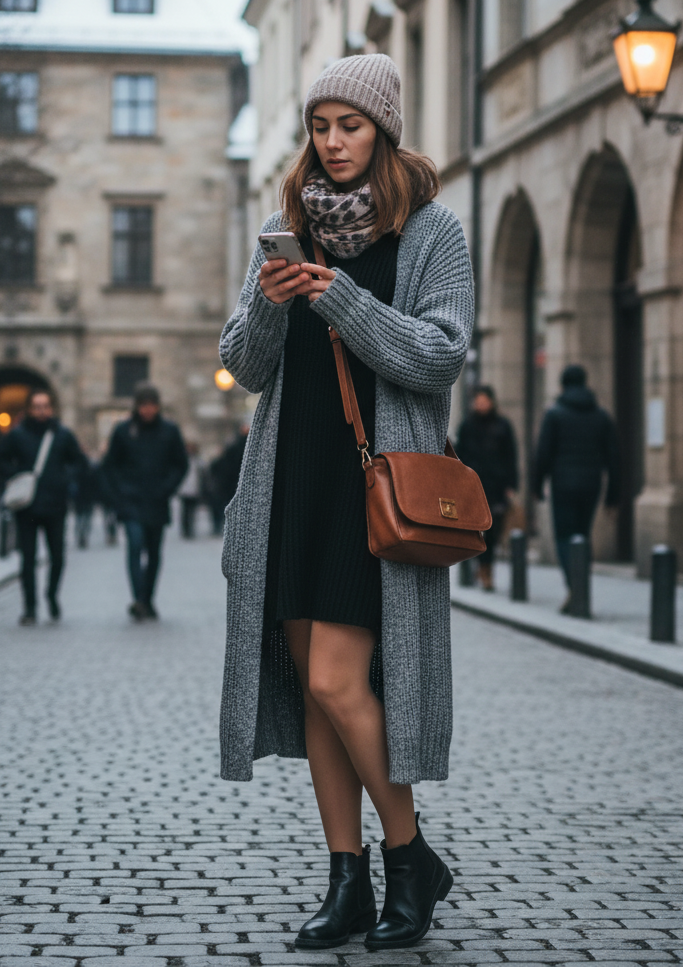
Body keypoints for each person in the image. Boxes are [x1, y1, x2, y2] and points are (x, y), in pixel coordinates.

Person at [218, 54, 474, 951]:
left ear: (383, 130)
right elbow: (246, 368)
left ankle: (409, 859)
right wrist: (275, 305)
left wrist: (341, 302)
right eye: (320, 126)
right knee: (321, 693)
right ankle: (347, 880)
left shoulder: (435, 231)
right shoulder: (282, 228)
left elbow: (438, 357)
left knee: (337, 679)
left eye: (349, 125)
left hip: (381, 487)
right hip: (294, 479)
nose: (331, 143)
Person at [534, 365, 619, 610]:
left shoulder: (555, 414)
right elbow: (614, 458)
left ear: (562, 385)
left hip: (562, 485)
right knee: (583, 536)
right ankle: (581, 590)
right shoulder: (601, 416)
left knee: (564, 537)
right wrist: (613, 497)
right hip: (592, 485)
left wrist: (537, 487)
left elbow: (543, 454)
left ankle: (575, 589)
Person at [101, 383, 188, 621]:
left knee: (154, 552)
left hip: (157, 500)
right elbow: (110, 466)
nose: (148, 410)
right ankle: (139, 599)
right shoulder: (123, 431)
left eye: (152, 405)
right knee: (135, 545)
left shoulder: (169, 431)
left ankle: (148, 599)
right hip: (131, 501)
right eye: (144, 406)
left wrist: (167, 488)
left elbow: (180, 465)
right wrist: (118, 493)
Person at [0, 389, 85, 625]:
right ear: (29, 409)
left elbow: (79, 461)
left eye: (45, 406)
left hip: (55, 505)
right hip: (27, 506)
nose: (41, 410)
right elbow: (2, 459)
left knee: (57, 556)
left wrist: (65, 478)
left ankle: (51, 595)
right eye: (37, 406)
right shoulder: (17, 435)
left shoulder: (62, 435)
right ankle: (30, 606)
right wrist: (16, 476)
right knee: (27, 558)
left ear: (52, 408)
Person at [456, 385, 518, 591]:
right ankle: (482, 568)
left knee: (494, 530)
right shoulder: (467, 426)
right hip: (473, 486)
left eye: (484, 400)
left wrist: (511, 484)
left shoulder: (502, 425)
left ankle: (486, 569)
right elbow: (459, 456)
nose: (481, 404)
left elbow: (511, 456)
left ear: (491, 402)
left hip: (496, 486)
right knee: (475, 529)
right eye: (478, 400)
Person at [178, 441, 205, 539]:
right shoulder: (183, 459)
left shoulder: (198, 461)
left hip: (195, 489)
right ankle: (185, 529)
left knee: (192, 511)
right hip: (184, 489)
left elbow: (203, 473)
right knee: (185, 511)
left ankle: (191, 529)